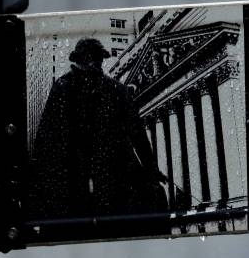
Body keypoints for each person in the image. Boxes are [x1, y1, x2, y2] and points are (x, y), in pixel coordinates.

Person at [28, 38, 168, 220]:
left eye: (96, 59)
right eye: (91, 58)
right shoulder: (67, 88)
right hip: (83, 175)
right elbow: (46, 137)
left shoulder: (112, 90)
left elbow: (137, 134)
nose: (94, 63)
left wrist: (151, 169)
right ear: (81, 60)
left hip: (105, 175)